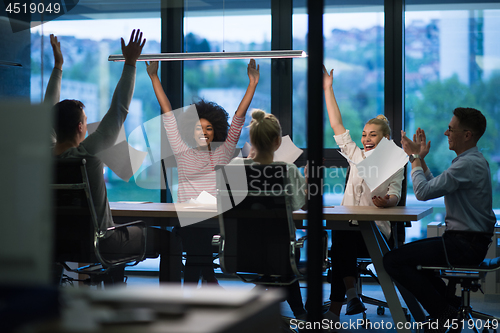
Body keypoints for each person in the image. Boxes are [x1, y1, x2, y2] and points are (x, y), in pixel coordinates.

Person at [46, 31, 181, 284]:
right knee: (171, 238)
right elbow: (119, 110)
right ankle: (165, 306)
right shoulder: (88, 154)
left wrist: (58, 67)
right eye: (85, 122)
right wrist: (130, 63)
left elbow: (47, 113)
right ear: (80, 128)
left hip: (56, 242)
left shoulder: (42, 158)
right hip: (102, 243)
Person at [146, 59, 260, 285]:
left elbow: (238, 118)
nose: (204, 132)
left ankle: (203, 286)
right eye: (199, 127)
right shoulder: (182, 151)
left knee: (197, 255)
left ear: (216, 129)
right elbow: (168, 113)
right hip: (190, 219)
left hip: (214, 219)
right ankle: (208, 283)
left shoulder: (224, 151)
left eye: (209, 128)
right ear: (191, 129)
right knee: (196, 250)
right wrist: (153, 77)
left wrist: (252, 84)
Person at [383, 108, 496, 331]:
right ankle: (449, 305)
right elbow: (435, 185)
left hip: (464, 244)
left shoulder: (467, 164)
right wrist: (420, 160)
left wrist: (414, 158)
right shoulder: (470, 161)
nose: (446, 133)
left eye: (451, 129)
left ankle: (442, 312)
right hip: (468, 242)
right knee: (416, 262)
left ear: (467, 135)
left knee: (392, 261)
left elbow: (422, 193)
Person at [322, 66, 404, 325]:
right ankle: (349, 297)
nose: (367, 139)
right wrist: (328, 88)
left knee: (340, 247)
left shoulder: (394, 162)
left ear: (386, 138)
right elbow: (337, 124)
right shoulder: (356, 156)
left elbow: (395, 195)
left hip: (375, 234)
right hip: (350, 229)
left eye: (373, 135)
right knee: (341, 239)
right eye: (364, 135)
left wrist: (387, 202)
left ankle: (340, 306)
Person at [230, 109, 308, 320]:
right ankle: (301, 315)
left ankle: (256, 299)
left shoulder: (235, 168)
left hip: (243, 248)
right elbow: (303, 205)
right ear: (277, 142)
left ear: (251, 140)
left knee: (274, 259)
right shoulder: (288, 169)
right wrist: (308, 182)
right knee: (282, 258)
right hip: (281, 249)